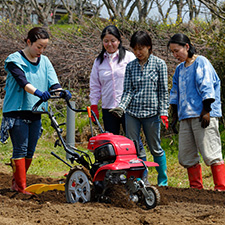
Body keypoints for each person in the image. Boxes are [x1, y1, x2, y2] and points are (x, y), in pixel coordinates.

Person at [0, 27, 71, 194]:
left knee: (30, 151)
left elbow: (53, 83)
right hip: (16, 111)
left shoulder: (45, 61)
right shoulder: (14, 60)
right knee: (21, 149)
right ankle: (21, 188)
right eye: (39, 46)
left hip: (36, 111)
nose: (41, 51)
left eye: (44, 48)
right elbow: (22, 82)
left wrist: (62, 93)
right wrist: (39, 92)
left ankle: (16, 183)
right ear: (28, 42)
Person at [110, 30, 169, 186]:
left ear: (149, 47)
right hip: (133, 113)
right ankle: (140, 180)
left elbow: (163, 91)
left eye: (141, 48)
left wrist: (163, 113)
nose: (138, 52)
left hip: (151, 113)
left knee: (155, 147)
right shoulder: (130, 67)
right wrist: (121, 107)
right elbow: (128, 91)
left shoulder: (159, 64)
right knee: (134, 149)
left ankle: (162, 180)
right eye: (135, 49)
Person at [168, 33, 225, 191]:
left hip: (203, 115)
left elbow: (207, 86)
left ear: (187, 47)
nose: (175, 55)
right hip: (186, 116)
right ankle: (196, 191)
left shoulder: (201, 62)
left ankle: (221, 188)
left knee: (210, 151)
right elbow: (175, 92)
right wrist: (174, 115)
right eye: (172, 52)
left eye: (177, 50)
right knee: (187, 154)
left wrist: (207, 110)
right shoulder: (180, 69)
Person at [89, 25, 144, 151]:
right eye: (106, 41)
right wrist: (94, 105)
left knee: (133, 141)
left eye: (113, 40)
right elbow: (95, 85)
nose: (110, 44)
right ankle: (115, 170)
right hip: (108, 108)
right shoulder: (98, 62)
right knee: (112, 144)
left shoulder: (129, 57)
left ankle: (141, 168)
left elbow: (139, 80)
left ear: (119, 41)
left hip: (128, 108)